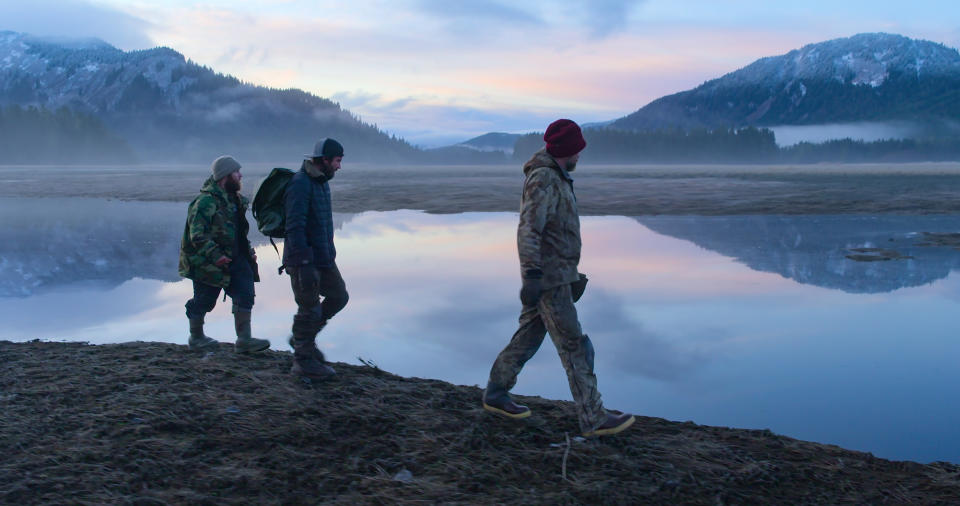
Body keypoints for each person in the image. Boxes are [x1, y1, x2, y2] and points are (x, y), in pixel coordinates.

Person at [482, 119, 635, 437]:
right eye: (578, 150)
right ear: (568, 150)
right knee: (575, 346)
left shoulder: (556, 177)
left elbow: (552, 231)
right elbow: (529, 229)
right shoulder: (544, 179)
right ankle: (593, 417)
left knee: (528, 336)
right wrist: (533, 276)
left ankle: (496, 393)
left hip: (557, 274)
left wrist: (568, 273)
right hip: (548, 279)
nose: (581, 156)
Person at [179, 155, 270, 354]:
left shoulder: (234, 200)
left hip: (236, 258)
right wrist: (215, 256)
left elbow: (238, 231)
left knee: (245, 294)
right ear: (225, 176)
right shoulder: (204, 202)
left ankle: (244, 340)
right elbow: (197, 235)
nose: (241, 175)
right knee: (204, 300)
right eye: (237, 172)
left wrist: (249, 252)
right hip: (207, 262)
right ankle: (196, 338)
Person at [283, 138, 349, 380]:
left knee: (339, 296)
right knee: (308, 309)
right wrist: (303, 263)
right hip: (303, 261)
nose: (340, 166)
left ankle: (303, 340)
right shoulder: (300, 184)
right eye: (338, 161)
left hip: (323, 258)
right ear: (325, 160)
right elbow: (294, 226)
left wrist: (328, 255)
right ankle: (303, 362)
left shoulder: (321, 182)